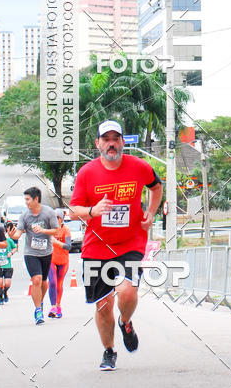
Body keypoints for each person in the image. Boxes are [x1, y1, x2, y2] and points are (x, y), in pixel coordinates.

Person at [69, 120, 163, 371]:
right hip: (96, 248)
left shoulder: (139, 167)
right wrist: (92, 210)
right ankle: (109, 351)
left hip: (130, 242)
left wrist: (151, 212)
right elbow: (73, 211)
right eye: (106, 138)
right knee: (103, 305)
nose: (111, 143)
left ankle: (126, 321)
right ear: (98, 143)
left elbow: (156, 186)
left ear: (122, 142)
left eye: (115, 138)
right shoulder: (87, 173)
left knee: (128, 291)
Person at [6, 187, 58, 325]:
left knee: (44, 282)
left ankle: (40, 302)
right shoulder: (24, 216)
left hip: (46, 252)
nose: (26, 202)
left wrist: (43, 230)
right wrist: (12, 236)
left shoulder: (49, 213)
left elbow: (56, 232)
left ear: (36, 199)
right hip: (31, 253)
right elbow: (18, 233)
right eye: (25, 199)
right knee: (36, 279)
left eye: (28, 199)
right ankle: (38, 310)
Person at [48, 211, 71, 319]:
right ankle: (53, 307)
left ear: (61, 219)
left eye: (57, 217)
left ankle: (58, 306)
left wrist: (56, 242)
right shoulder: (49, 229)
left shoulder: (65, 230)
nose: (55, 220)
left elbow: (68, 246)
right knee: (52, 282)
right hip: (51, 260)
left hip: (63, 261)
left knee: (59, 284)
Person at [0, 221, 18, 304]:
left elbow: (15, 248)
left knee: (7, 283)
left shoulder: (9, 241)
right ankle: (1, 298)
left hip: (7, 265)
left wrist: (11, 253)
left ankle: (5, 293)